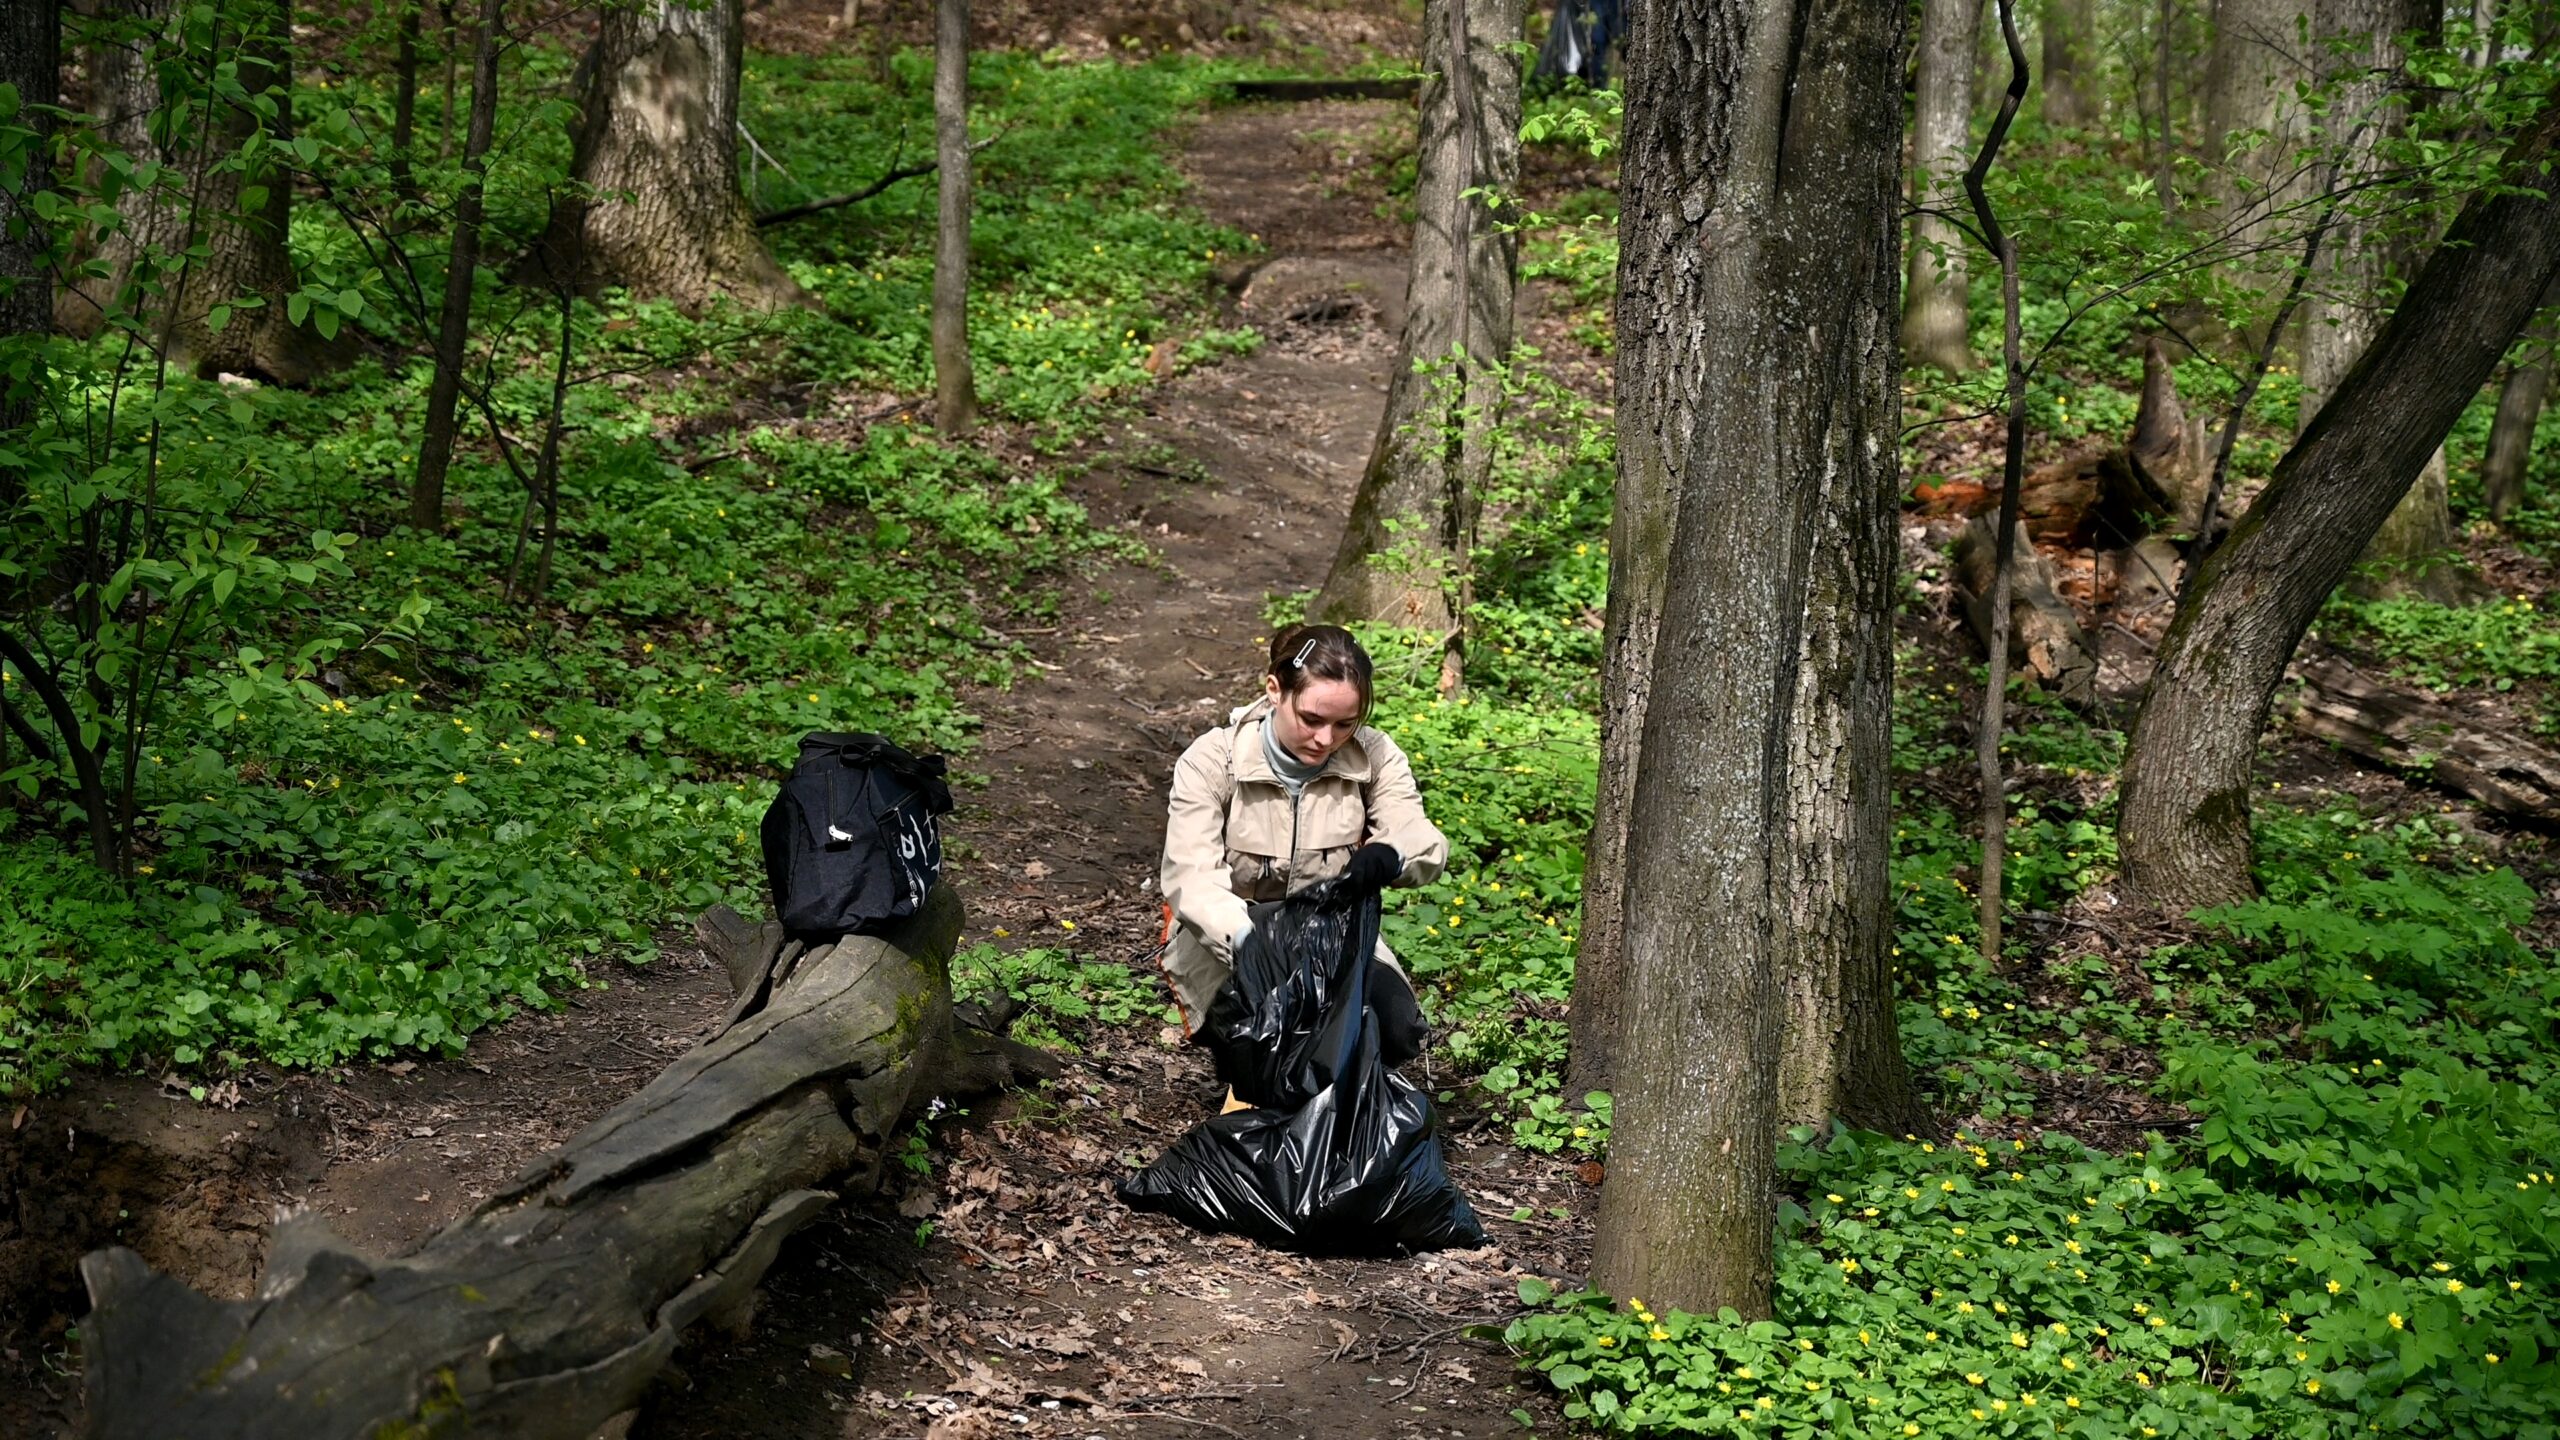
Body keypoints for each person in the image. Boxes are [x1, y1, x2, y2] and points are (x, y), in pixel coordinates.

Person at [1158, 624, 1448, 1096]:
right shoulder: (1213, 761)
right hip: (1232, 938)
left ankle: (1331, 1103)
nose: (1325, 739)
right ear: (1275, 690)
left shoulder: (1374, 755)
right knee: (1265, 1037)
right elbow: (1192, 881)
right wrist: (1259, 949)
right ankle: (1253, 1090)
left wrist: (1389, 855)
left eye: (1344, 724)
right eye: (1311, 719)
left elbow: (1423, 840)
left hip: (1329, 929)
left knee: (1392, 1022)